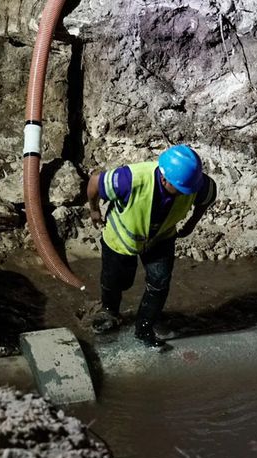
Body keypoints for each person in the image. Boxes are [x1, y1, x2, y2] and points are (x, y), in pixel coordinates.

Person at [87, 144, 217, 351]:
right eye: (181, 190)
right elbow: (95, 181)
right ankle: (109, 310)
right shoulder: (129, 179)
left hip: (161, 238)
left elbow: (208, 196)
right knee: (115, 281)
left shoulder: (195, 183)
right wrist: (94, 210)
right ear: (164, 179)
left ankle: (144, 328)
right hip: (121, 240)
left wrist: (192, 222)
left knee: (159, 283)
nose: (186, 194)